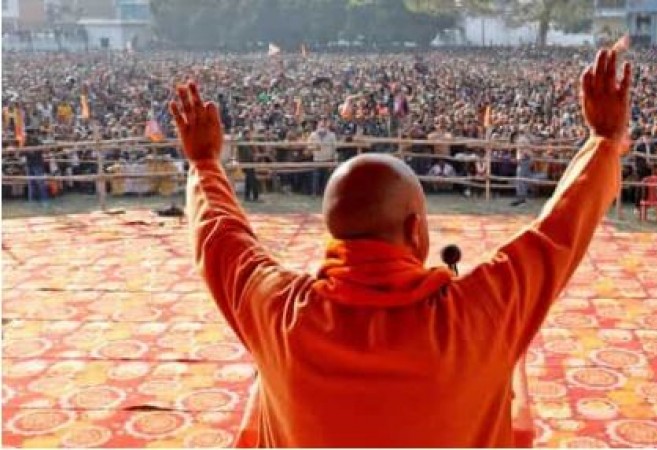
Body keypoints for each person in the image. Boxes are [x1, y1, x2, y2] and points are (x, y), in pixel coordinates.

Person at [170, 47, 630, 447]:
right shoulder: (481, 312)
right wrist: (604, 141)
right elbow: (558, 230)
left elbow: (220, 235)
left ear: (333, 231)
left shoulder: (278, 312)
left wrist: (204, 162)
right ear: (415, 231)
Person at [307, 118, 337, 195]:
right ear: (318, 125)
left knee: (327, 179)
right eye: (321, 124)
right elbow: (308, 146)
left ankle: (326, 194)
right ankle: (314, 193)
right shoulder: (313, 135)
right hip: (317, 159)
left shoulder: (332, 135)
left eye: (324, 123)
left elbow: (334, 149)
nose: (322, 125)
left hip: (328, 160)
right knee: (316, 178)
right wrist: (314, 147)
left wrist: (334, 160)